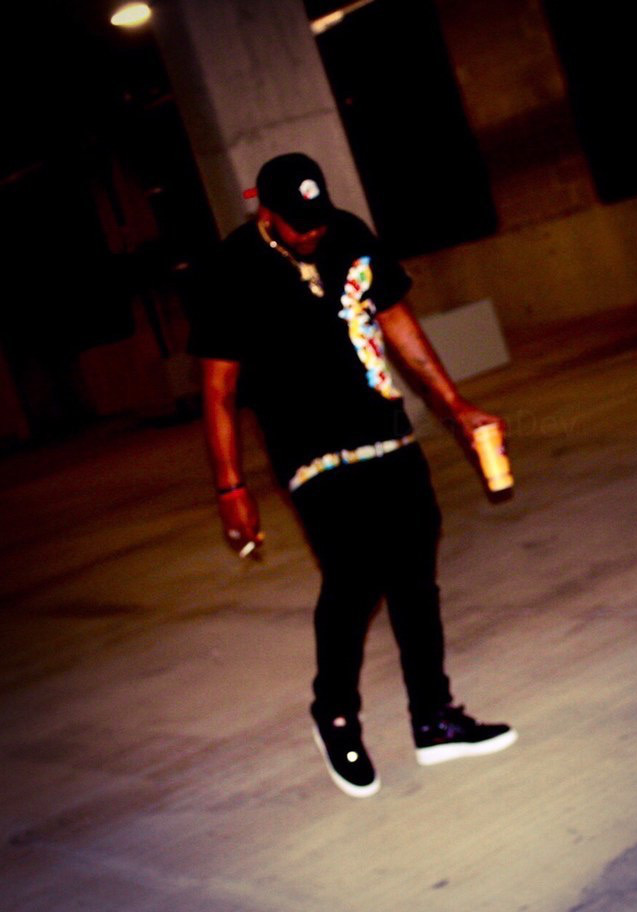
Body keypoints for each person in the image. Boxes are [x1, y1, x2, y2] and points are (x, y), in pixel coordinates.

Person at [189, 152, 517, 797]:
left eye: (318, 218)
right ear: (267, 213)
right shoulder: (232, 268)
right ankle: (335, 713)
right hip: (312, 453)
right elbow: (218, 389)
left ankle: (434, 717)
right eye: (298, 222)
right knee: (355, 574)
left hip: (386, 432)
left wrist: (455, 405)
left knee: (415, 572)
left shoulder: (350, 234)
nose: (312, 231)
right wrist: (230, 486)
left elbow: (397, 321)